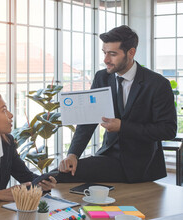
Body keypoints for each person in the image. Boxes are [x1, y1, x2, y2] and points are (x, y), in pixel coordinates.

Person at [56, 25, 177, 183]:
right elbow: (87, 122)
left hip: (141, 165)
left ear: (131, 52)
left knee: (60, 177)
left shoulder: (157, 84)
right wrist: (73, 154)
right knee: (58, 174)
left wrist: (122, 127)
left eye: (112, 54)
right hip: (108, 157)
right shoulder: (102, 78)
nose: (106, 60)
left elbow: (168, 130)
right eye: (105, 53)